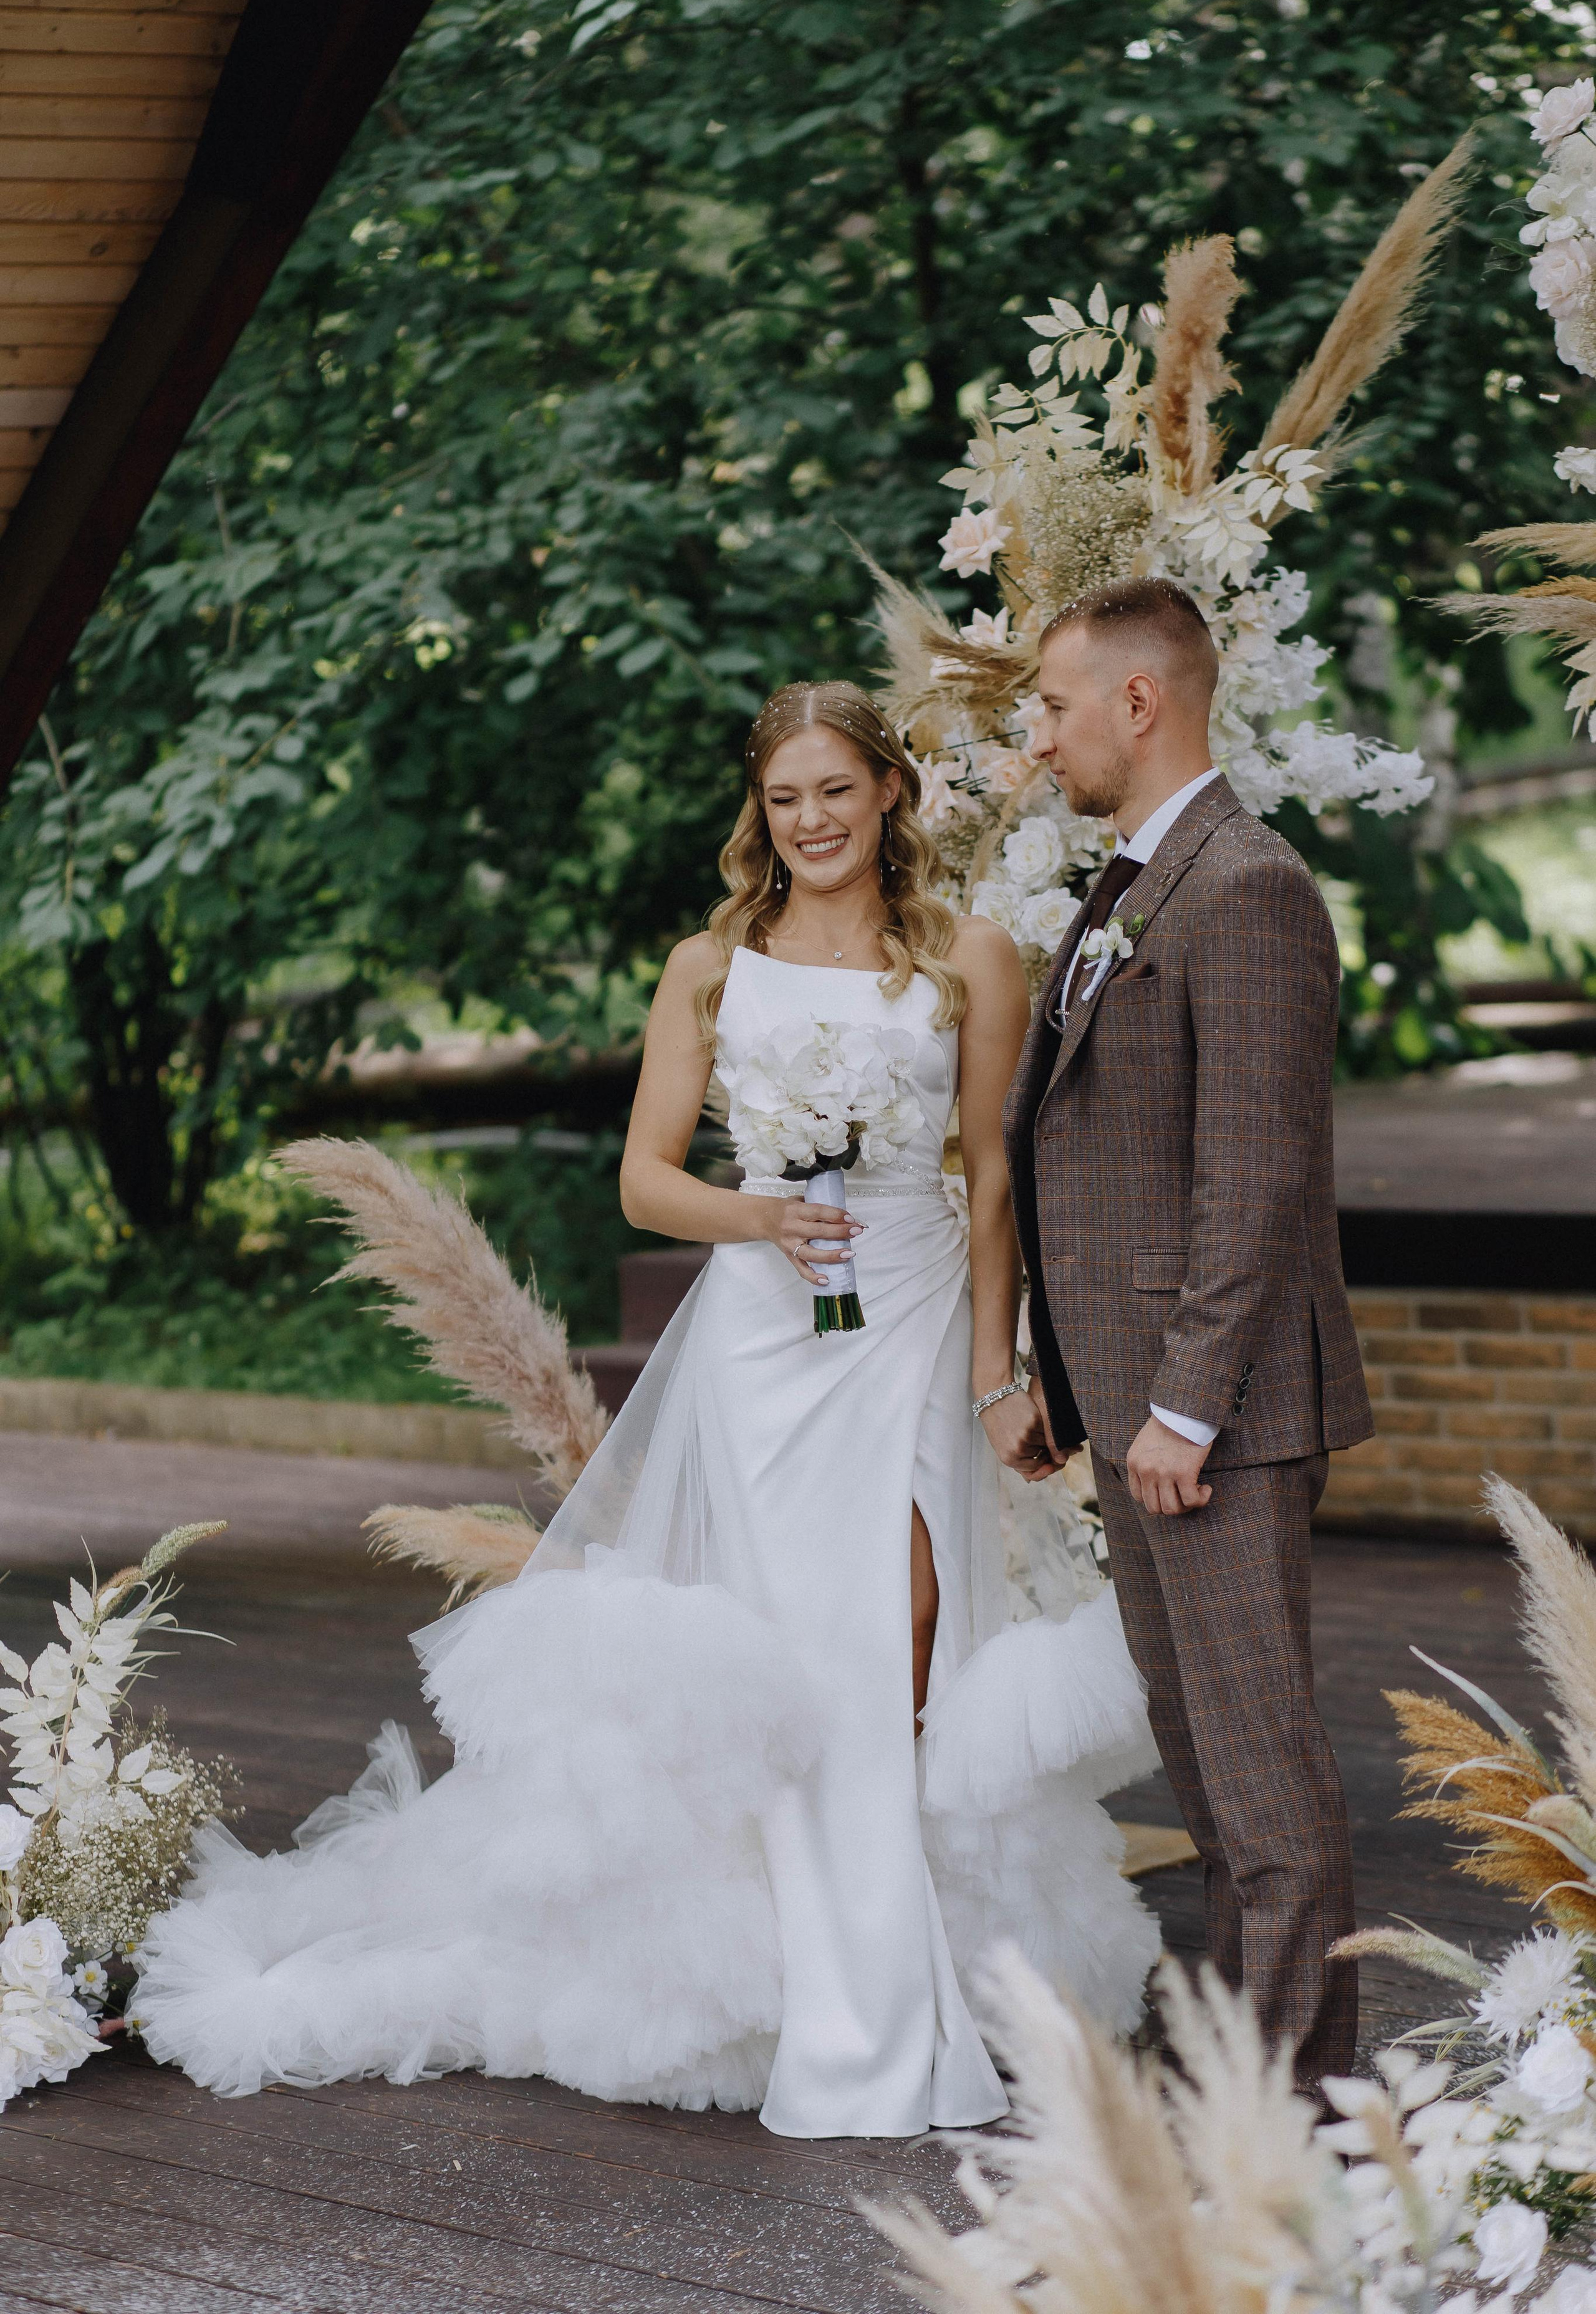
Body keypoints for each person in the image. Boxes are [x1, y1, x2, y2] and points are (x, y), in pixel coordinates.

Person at [132, 679, 1160, 2139]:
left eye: (835, 790)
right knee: (792, 1652)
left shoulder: (969, 957)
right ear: (761, 812)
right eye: (783, 799)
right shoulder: (708, 965)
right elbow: (644, 1181)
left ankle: (880, 1960)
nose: (809, 821)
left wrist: (1000, 1371)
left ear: (888, 791)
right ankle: (826, 1992)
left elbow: (995, 1182)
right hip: (766, 1337)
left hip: (914, 1318)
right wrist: (760, 1215)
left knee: (903, 1631)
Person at [1005, 577, 1373, 2093]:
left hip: (1214, 1417)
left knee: (1262, 1791)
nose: (1037, 738)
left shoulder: (1247, 887)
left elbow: (1254, 1177)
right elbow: (1095, 1151)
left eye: (1051, 706)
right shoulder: (1135, 882)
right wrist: (1064, 1378)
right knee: (1213, 1785)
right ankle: (1251, 2077)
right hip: (1136, 1402)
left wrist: (1186, 1405)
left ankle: (1285, 2116)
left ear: (1136, 700)